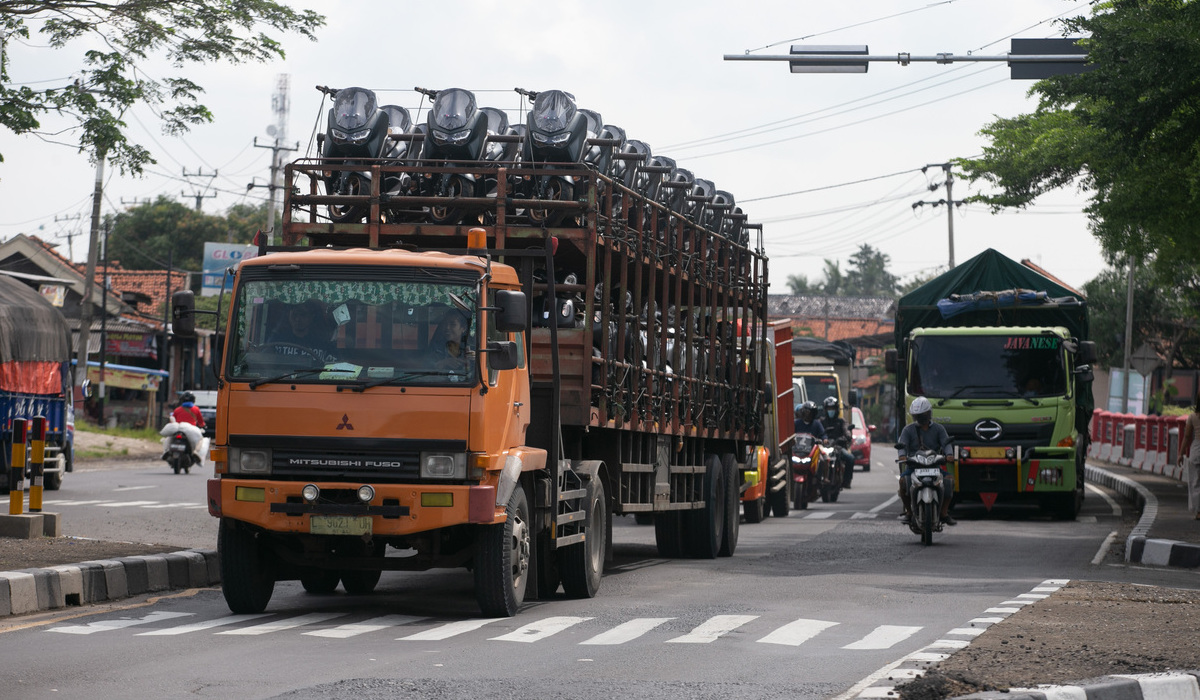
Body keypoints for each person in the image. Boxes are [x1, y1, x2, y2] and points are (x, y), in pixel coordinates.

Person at [896, 396, 956, 526]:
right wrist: (902, 456)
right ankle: (909, 512)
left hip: (934, 466)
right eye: (917, 416)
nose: (920, 418)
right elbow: (902, 444)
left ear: (929, 414)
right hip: (914, 467)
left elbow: (946, 443)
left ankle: (944, 513)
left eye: (922, 415)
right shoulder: (908, 430)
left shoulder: (939, 429)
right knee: (903, 482)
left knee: (949, 482)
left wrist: (949, 454)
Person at [820, 396, 855, 489]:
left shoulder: (841, 421)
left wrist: (844, 438)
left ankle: (846, 481)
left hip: (837, 447)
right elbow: (816, 432)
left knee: (850, 458)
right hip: (824, 448)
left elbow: (847, 432)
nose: (830, 411)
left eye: (832, 409)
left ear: (836, 409)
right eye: (829, 409)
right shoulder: (822, 422)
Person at [1178, 395, 1200, 519]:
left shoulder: (1192, 417)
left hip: (1196, 450)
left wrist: (1180, 454)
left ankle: (1198, 511)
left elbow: (1187, 437)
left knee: (1195, 482)